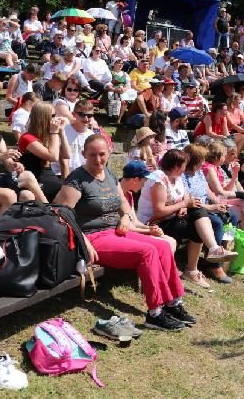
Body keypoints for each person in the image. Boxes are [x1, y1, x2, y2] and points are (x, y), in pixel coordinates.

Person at [53, 135, 195, 331]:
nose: (97, 159)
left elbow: (123, 204)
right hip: (94, 237)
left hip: (115, 231)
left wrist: (126, 217)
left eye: (102, 154)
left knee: (161, 245)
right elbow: (61, 213)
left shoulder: (109, 174)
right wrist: (83, 242)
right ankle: (154, 313)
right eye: (92, 154)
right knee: (147, 252)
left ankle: (174, 303)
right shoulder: (77, 180)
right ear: (84, 154)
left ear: (109, 153)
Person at [136, 149, 237, 288]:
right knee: (197, 225)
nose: (186, 168)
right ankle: (194, 269)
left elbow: (186, 197)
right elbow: (159, 211)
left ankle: (211, 251)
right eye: (184, 165)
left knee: (198, 211)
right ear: (177, 166)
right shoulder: (158, 180)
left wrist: (183, 206)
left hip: (170, 218)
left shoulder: (177, 177)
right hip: (153, 223)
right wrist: (182, 205)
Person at [0, 99, 46, 204]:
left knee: (27, 195)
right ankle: (51, 211)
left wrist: (15, 165)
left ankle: (39, 217)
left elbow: (8, 164)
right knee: (28, 176)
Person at [118, 160, 177, 253]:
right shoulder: (117, 195)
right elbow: (127, 227)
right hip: (122, 234)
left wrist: (151, 228)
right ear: (136, 180)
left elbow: (135, 222)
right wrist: (149, 231)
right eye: (145, 180)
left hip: (131, 231)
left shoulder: (129, 194)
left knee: (172, 241)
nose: (145, 183)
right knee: (166, 243)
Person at [17, 101, 70, 202]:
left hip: (48, 176)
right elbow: (53, 156)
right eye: (53, 116)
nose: (56, 118)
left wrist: (61, 132)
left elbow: (67, 155)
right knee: (68, 191)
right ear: (43, 118)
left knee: (73, 190)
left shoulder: (48, 136)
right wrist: (54, 132)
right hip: (34, 179)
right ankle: (53, 215)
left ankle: (60, 215)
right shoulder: (27, 137)